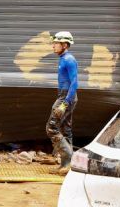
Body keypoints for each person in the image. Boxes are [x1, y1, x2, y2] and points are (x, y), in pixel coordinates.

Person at [46, 31, 78, 176]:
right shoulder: (63, 58)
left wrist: (64, 104)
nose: (53, 46)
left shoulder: (69, 60)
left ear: (64, 45)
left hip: (66, 97)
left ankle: (68, 159)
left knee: (51, 127)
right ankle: (68, 165)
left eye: (56, 43)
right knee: (66, 129)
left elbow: (74, 82)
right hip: (65, 96)